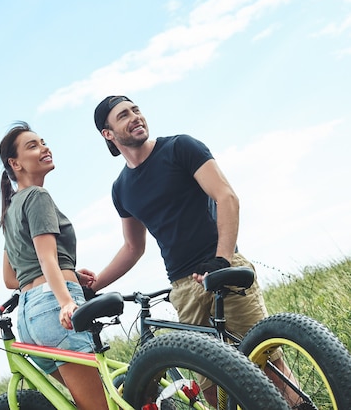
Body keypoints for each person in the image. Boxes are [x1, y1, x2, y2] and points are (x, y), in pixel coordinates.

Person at [85, 95, 294, 406]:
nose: (135, 117)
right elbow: (133, 247)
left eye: (136, 109)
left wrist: (221, 259)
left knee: (267, 363)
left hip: (224, 265)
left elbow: (226, 197)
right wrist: (95, 285)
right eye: (124, 115)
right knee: (211, 385)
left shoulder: (180, 147)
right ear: (109, 134)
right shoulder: (122, 189)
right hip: (184, 287)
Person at [0, 121, 108, 410]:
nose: (44, 148)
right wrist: (66, 301)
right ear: (15, 163)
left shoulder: (11, 209)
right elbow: (46, 259)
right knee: (100, 407)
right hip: (53, 309)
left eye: (43, 142)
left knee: (84, 404)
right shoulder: (37, 196)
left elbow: (12, 278)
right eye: (32, 146)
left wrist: (69, 268)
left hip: (29, 318)